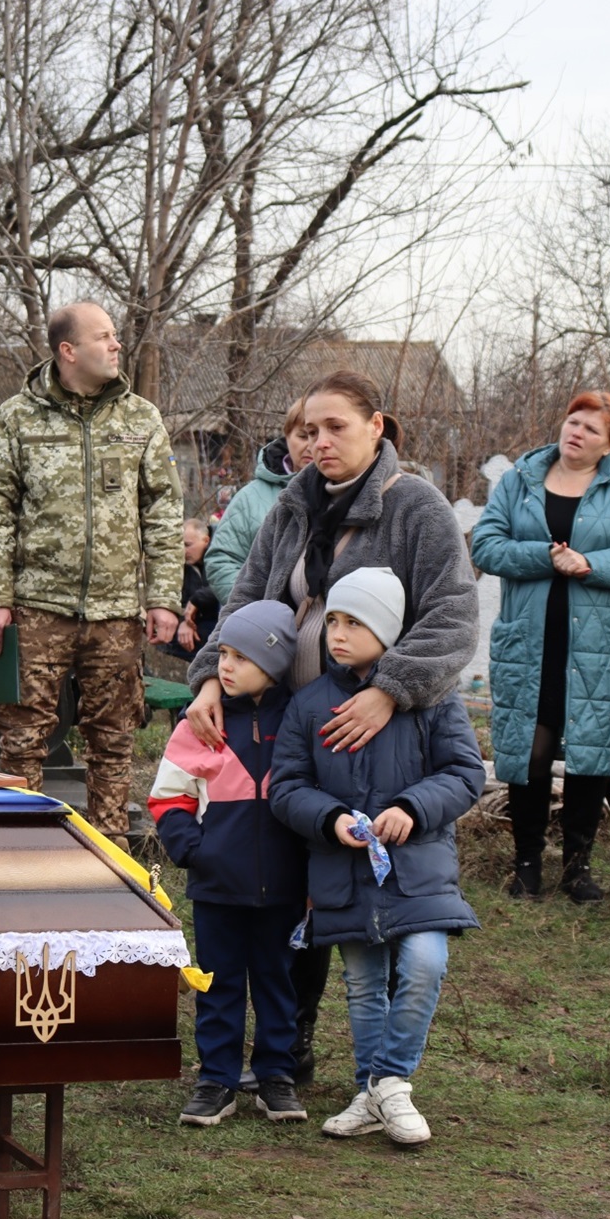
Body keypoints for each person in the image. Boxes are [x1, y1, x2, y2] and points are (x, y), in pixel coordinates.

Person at [183, 370, 477, 1084]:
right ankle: (291, 1043)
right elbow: (247, 599)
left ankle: (370, 1063)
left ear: (377, 426)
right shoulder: (293, 505)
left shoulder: (415, 507)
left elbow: (453, 615)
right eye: (311, 430)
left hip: (379, 734)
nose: (319, 442)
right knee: (290, 882)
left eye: (336, 427)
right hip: (286, 723)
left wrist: (389, 691)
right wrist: (210, 677)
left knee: (359, 888)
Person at [269, 568, 484, 1146]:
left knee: (425, 964)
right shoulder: (309, 704)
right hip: (343, 871)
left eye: (355, 623)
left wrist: (413, 807)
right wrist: (329, 818)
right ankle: (374, 1094)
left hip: (419, 871)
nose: (337, 634)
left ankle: (386, 1084)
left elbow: (465, 773)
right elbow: (286, 786)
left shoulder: (433, 698)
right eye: (333, 621)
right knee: (364, 985)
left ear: (388, 631)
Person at [0, 302, 183, 847]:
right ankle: (21, 850)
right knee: (22, 737)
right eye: (103, 336)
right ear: (68, 351)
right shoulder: (17, 418)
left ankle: (111, 856)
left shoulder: (140, 419)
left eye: (115, 336)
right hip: (36, 607)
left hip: (116, 612)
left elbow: (162, 511)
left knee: (113, 740)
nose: (116, 345)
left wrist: (163, 597)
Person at [470, 392, 610, 902]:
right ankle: (527, 864)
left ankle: (578, 869)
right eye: (573, 421)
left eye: (591, 429)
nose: (576, 432)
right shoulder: (521, 479)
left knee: (590, 751)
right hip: (529, 641)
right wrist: (546, 555)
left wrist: (590, 564)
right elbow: (485, 545)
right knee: (528, 750)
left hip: (596, 645)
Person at [145, 600, 306, 1126]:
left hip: (284, 887)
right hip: (217, 887)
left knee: (279, 983)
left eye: (241, 657)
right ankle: (217, 1079)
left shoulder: (299, 720)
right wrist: (196, 852)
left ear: (275, 663)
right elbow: (169, 797)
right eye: (223, 655)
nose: (226, 666)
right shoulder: (201, 723)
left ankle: (276, 1076)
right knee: (217, 984)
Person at [204, 397, 311, 604]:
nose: (310, 445)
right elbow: (222, 560)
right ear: (287, 436)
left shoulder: (349, 492)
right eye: (303, 435)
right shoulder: (250, 498)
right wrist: (257, 608)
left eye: (317, 435)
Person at [164, 519, 219, 660]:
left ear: (206, 540)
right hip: (199, 620)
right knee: (166, 633)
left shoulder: (223, 554)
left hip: (222, 618)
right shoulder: (183, 563)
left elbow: (226, 586)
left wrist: (197, 599)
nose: (183, 551)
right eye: (180, 545)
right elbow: (180, 598)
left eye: (187, 545)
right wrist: (185, 622)